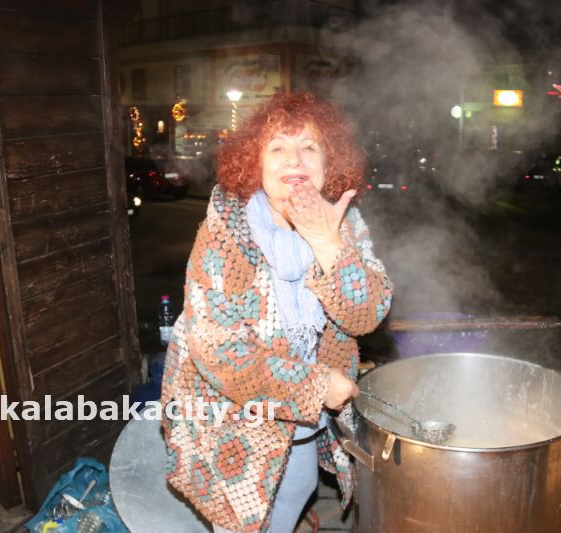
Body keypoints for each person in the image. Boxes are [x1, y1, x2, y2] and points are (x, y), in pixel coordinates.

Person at [161, 91, 393, 533]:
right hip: (229, 409)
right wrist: (316, 385)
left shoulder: (345, 224)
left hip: (302, 407)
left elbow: (365, 315)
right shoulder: (225, 234)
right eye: (278, 148)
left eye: (309, 147)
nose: (295, 160)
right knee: (242, 516)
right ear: (255, 162)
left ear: (329, 161)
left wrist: (327, 243)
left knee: (298, 484)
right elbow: (221, 352)